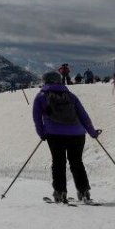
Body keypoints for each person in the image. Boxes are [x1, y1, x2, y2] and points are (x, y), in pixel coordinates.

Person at [33, 71, 102, 204]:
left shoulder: (41, 96)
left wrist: (42, 134)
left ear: (45, 81)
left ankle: (60, 192)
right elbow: (83, 116)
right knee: (76, 162)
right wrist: (92, 132)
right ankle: (84, 192)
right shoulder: (71, 96)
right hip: (77, 134)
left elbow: (37, 119)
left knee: (58, 163)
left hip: (54, 134)